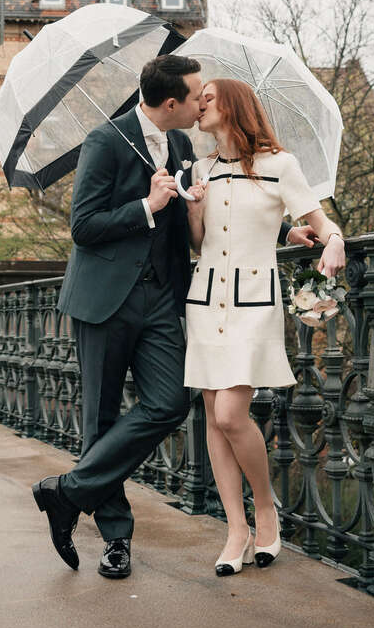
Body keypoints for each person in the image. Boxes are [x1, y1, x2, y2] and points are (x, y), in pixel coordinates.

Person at [32, 57, 316, 580]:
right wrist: (145, 204)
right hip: (104, 300)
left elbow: (224, 212)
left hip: (166, 300)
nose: (201, 103)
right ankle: (116, 539)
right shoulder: (105, 140)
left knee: (169, 403)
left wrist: (283, 232)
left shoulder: (184, 146)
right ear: (172, 104)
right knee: (100, 418)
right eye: (195, 98)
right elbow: (84, 226)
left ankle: (67, 493)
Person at [183, 78, 345, 577]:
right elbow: (197, 243)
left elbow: (318, 219)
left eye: (207, 98)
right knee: (212, 416)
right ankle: (236, 529)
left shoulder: (280, 165)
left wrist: (333, 240)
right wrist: (192, 207)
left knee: (232, 414)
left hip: (254, 302)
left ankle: (266, 507)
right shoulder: (199, 168)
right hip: (206, 300)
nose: (199, 106)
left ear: (233, 105)